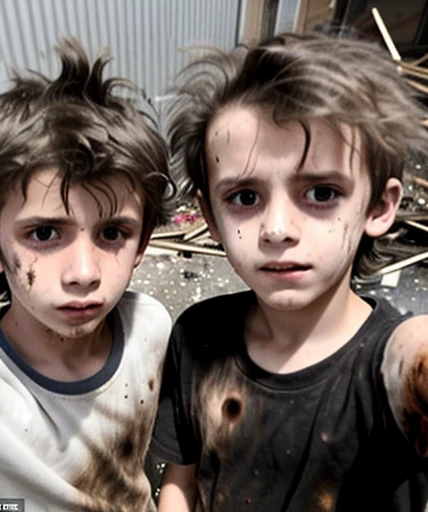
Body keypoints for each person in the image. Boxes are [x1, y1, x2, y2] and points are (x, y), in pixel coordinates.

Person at [150, 32, 428, 511]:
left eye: (321, 193)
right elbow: (181, 480)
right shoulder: (198, 336)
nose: (277, 229)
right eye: (245, 198)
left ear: (379, 207)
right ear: (210, 218)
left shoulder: (394, 367)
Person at [0, 37, 173, 512]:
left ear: (143, 243)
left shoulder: (151, 326)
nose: (83, 272)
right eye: (44, 233)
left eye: (113, 232)